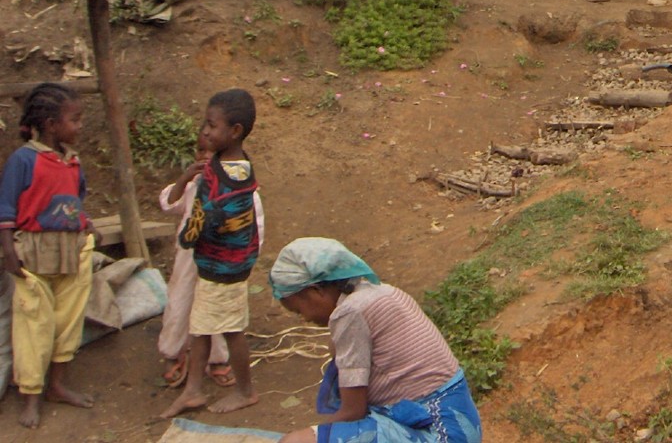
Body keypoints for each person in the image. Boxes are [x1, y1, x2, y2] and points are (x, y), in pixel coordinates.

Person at [269, 237, 482, 443]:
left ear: (315, 291)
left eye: (299, 310)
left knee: (295, 441)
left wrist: (317, 431)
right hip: (461, 425)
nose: (304, 318)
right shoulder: (383, 292)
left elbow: (353, 411)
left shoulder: (350, 313)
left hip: (438, 432)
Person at [0, 82, 96, 428]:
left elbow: (75, 200)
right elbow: (7, 208)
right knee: (32, 326)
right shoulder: (23, 160)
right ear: (52, 124)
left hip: (70, 252)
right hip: (33, 256)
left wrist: (85, 226)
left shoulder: (72, 162)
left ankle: (57, 385)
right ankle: (30, 395)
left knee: (67, 322)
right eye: (75, 119)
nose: (80, 126)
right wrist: (9, 250)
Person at [162, 89, 260, 418]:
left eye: (211, 125)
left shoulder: (233, 176)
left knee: (230, 329)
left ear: (234, 131)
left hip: (225, 267)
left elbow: (218, 219)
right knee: (201, 326)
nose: (204, 131)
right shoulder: (221, 165)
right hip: (214, 265)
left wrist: (195, 230)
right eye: (204, 124)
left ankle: (245, 391)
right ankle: (193, 390)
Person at [157, 143, 267, 389]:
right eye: (200, 151)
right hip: (188, 260)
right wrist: (185, 177)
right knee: (180, 302)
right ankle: (173, 352)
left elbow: (254, 229)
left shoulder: (243, 191)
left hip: (222, 263)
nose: (205, 157)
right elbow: (168, 203)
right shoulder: (193, 187)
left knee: (217, 310)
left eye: (211, 153)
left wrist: (242, 260)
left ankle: (217, 360)